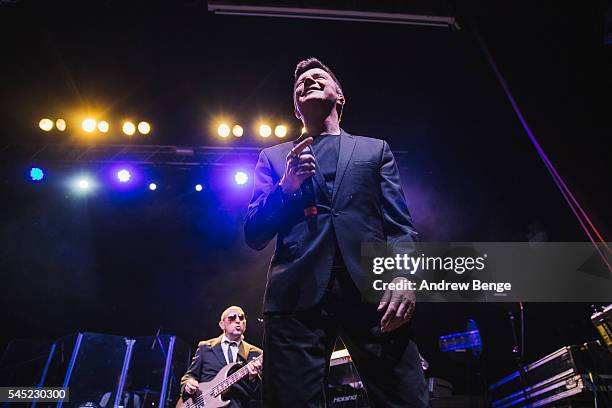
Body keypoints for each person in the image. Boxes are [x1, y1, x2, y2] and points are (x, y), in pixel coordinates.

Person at [244, 58, 428, 407]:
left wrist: (404, 276)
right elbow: (253, 233)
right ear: (296, 108)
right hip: (295, 298)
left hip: (374, 294)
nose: (307, 82)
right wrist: (287, 187)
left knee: (404, 397)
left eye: (318, 77)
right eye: (299, 84)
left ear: (339, 96)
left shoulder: (375, 150)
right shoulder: (274, 158)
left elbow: (400, 225)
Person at [180, 306, 262, 408]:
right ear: (222, 324)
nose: (238, 321)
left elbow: (262, 393)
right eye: (232, 317)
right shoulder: (205, 347)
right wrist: (188, 384)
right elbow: (189, 376)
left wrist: (253, 378)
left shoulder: (255, 353)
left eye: (241, 318)